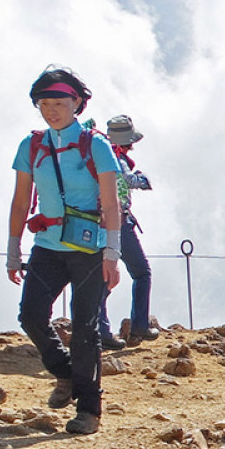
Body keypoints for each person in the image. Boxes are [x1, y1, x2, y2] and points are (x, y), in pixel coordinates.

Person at [6, 68, 121, 436]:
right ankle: (66, 372)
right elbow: (21, 200)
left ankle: (89, 409)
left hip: (90, 249)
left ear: (77, 103)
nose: (51, 110)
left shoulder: (96, 145)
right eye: (44, 103)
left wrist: (113, 254)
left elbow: (111, 203)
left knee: (86, 329)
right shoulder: (31, 146)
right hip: (47, 246)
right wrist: (13, 250)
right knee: (31, 315)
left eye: (59, 102)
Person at [95, 116, 158, 348]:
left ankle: (101, 331)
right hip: (120, 222)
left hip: (97, 222)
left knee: (101, 279)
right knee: (142, 272)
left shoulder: (96, 154)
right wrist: (142, 179)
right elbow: (126, 179)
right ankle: (139, 324)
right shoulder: (116, 158)